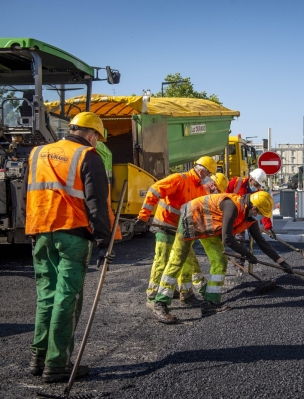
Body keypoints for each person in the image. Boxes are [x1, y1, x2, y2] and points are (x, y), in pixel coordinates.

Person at [25, 112, 114, 383]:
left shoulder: (37, 152)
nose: (96, 142)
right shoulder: (88, 156)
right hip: (72, 234)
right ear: (90, 134)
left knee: (46, 296)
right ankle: (57, 364)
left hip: (40, 232)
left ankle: (38, 358)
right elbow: (96, 201)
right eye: (97, 138)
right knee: (67, 298)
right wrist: (104, 240)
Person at [151, 191, 292, 324]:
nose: (260, 216)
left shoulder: (250, 217)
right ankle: (160, 303)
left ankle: (209, 303)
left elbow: (261, 241)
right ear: (254, 207)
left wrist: (281, 262)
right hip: (192, 217)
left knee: (220, 261)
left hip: (209, 226)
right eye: (260, 213)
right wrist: (247, 254)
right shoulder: (232, 206)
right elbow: (228, 239)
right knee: (177, 260)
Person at [136, 156, 217, 310]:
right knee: (162, 260)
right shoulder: (179, 179)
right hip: (165, 226)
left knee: (186, 261)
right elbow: (154, 190)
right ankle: (153, 296)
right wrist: (143, 215)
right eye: (208, 174)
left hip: (182, 230)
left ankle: (186, 295)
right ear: (201, 171)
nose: (209, 178)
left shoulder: (200, 189)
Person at [226, 168, 276, 239]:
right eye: (256, 185)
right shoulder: (236, 182)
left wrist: (268, 227)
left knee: (240, 239)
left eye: (259, 185)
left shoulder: (259, 193)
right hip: (231, 214)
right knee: (226, 238)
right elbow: (225, 197)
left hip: (243, 219)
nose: (257, 187)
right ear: (251, 179)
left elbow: (263, 211)